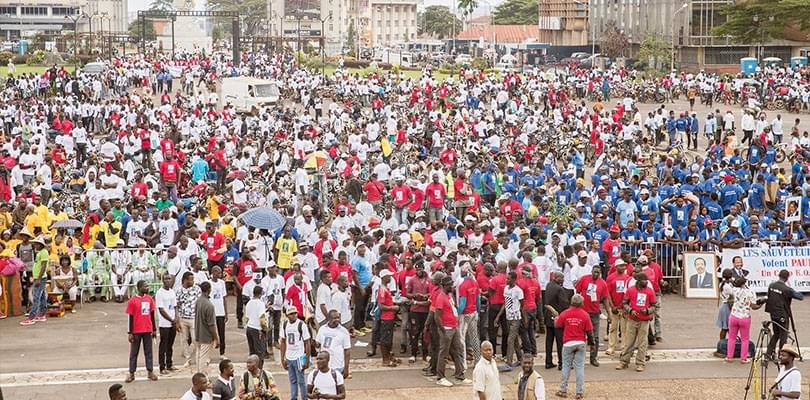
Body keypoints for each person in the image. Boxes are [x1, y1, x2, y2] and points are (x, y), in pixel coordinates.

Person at [434, 275, 470, 387]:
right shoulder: (441, 297)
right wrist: (443, 331)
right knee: (443, 353)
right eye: (450, 284)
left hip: (453, 327)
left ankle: (459, 374)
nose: (453, 286)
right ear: (445, 285)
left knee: (458, 350)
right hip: (447, 329)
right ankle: (440, 377)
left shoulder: (449, 295)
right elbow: (437, 316)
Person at [554, 294, 593, 399]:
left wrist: (556, 319)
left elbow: (557, 325)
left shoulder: (565, 313)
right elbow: (589, 331)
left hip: (568, 343)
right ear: (581, 303)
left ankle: (563, 390)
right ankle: (579, 392)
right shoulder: (585, 315)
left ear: (571, 302)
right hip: (580, 343)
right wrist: (592, 344)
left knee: (566, 366)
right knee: (579, 368)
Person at [616, 272, 657, 372]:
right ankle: (624, 361)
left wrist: (647, 311)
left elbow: (654, 306)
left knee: (642, 342)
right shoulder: (630, 290)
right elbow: (625, 303)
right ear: (638, 281)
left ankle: (640, 363)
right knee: (629, 342)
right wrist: (630, 310)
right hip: (632, 319)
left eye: (646, 280)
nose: (646, 282)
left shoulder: (650, 291)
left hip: (644, 320)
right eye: (644, 280)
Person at [765, 269, 804, 359]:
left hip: (773, 313)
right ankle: (781, 355)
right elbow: (800, 297)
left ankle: (768, 353)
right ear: (787, 278)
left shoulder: (771, 285)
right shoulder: (787, 289)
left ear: (779, 276)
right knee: (783, 335)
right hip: (783, 314)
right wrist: (792, 290)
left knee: (776, 334)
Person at [125, 280, 158, 382]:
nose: (147, 288)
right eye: (145, 286)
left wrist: (154, 329)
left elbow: (152, 315)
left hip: (147, 329)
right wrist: (130, 332)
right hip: (136, 330)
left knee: (148, 352)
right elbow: (130, 317)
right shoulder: (133, 301)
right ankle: (131, 373)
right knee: (134, 352)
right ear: (139, 288)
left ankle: (150, 371)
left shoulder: (149, 299)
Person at [726, 277, 761, 363]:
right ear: (744, 284)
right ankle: (743, 358)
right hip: (745, 316)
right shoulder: (750, 292)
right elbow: (754, 306)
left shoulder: (734, 290)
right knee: (744, 339)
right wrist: (761, 304)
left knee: (731, 337)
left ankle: (729, 357)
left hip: (734, 315)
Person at [280, 306, 310, 400]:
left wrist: (307, 360)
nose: (293, 315)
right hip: (289, 357)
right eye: (291, 314)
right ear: (287, 315)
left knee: (301, 381)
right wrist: (282, 358)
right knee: (292, 380)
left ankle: (304, 398)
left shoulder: (301, 325)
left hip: (299, 356)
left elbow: (307, 343)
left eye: (295, 313)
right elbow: (283, 342)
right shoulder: (285, 325)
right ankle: (294, 397)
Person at [19, 235, 49, 326]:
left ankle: (31, 317)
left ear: (41, 244)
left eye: (37, 244)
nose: (35, 245)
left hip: (40, 278)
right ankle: (42, 314)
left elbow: (43, 266)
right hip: (38, 277)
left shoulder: (43, 252)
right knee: (42, 296)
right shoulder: (40, 252)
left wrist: (39, 278)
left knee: (36, 297)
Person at [543, 271, 569, 370]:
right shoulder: (559, 289)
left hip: (548, 316)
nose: (563, 280)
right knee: (560, 341)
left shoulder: (549, 285)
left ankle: (548, 361)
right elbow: (564, 304)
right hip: (557, 317)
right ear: (557, 278)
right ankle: (561, 363)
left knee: (549, 340)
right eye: (562, 278)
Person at [315, 310, 351, 378]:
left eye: (338, 317)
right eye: (334, 318)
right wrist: (312, 341)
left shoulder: (344, 331)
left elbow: (347, 351)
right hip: (324, 366)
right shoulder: (322, 329)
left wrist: (346, 368)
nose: (337, 320)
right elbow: (318, 345)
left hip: (338, 366)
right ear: (328, 318)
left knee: (337, 387)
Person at [156, 274, 179, 374]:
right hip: (164, 323)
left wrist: (176, 318)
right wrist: (171, 319)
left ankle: (169, 364)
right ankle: (162, 366)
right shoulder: (160, 293)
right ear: (162, 280)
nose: (168, 281)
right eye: (166, 279)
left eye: (169, 279)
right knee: (163, 345)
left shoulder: (172, 292)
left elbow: (175, 306)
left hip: (173, 322)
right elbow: (161, 309)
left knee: (170, 345)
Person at [210, 266, 229, 359]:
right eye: (218, 273)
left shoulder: (222, 283)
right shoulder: (209, 283)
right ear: (213, 272)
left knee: (222, 333)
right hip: (212, 312)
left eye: (220, 273)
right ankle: (208, 353)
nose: (220, 275)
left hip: (220, 311)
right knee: (210, 333)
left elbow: (224, 298)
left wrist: (226, 312)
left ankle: (222, 352)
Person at [246, 285, 268, 365]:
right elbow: (262, 318)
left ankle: (251, 368)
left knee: (252, 351)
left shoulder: (249, 303)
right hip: (257, 329)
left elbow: (247, 317)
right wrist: (265, 329)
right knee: (259, 353)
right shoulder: (260, 304)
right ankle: (259, 370)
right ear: (260, 294)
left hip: (249, 327)